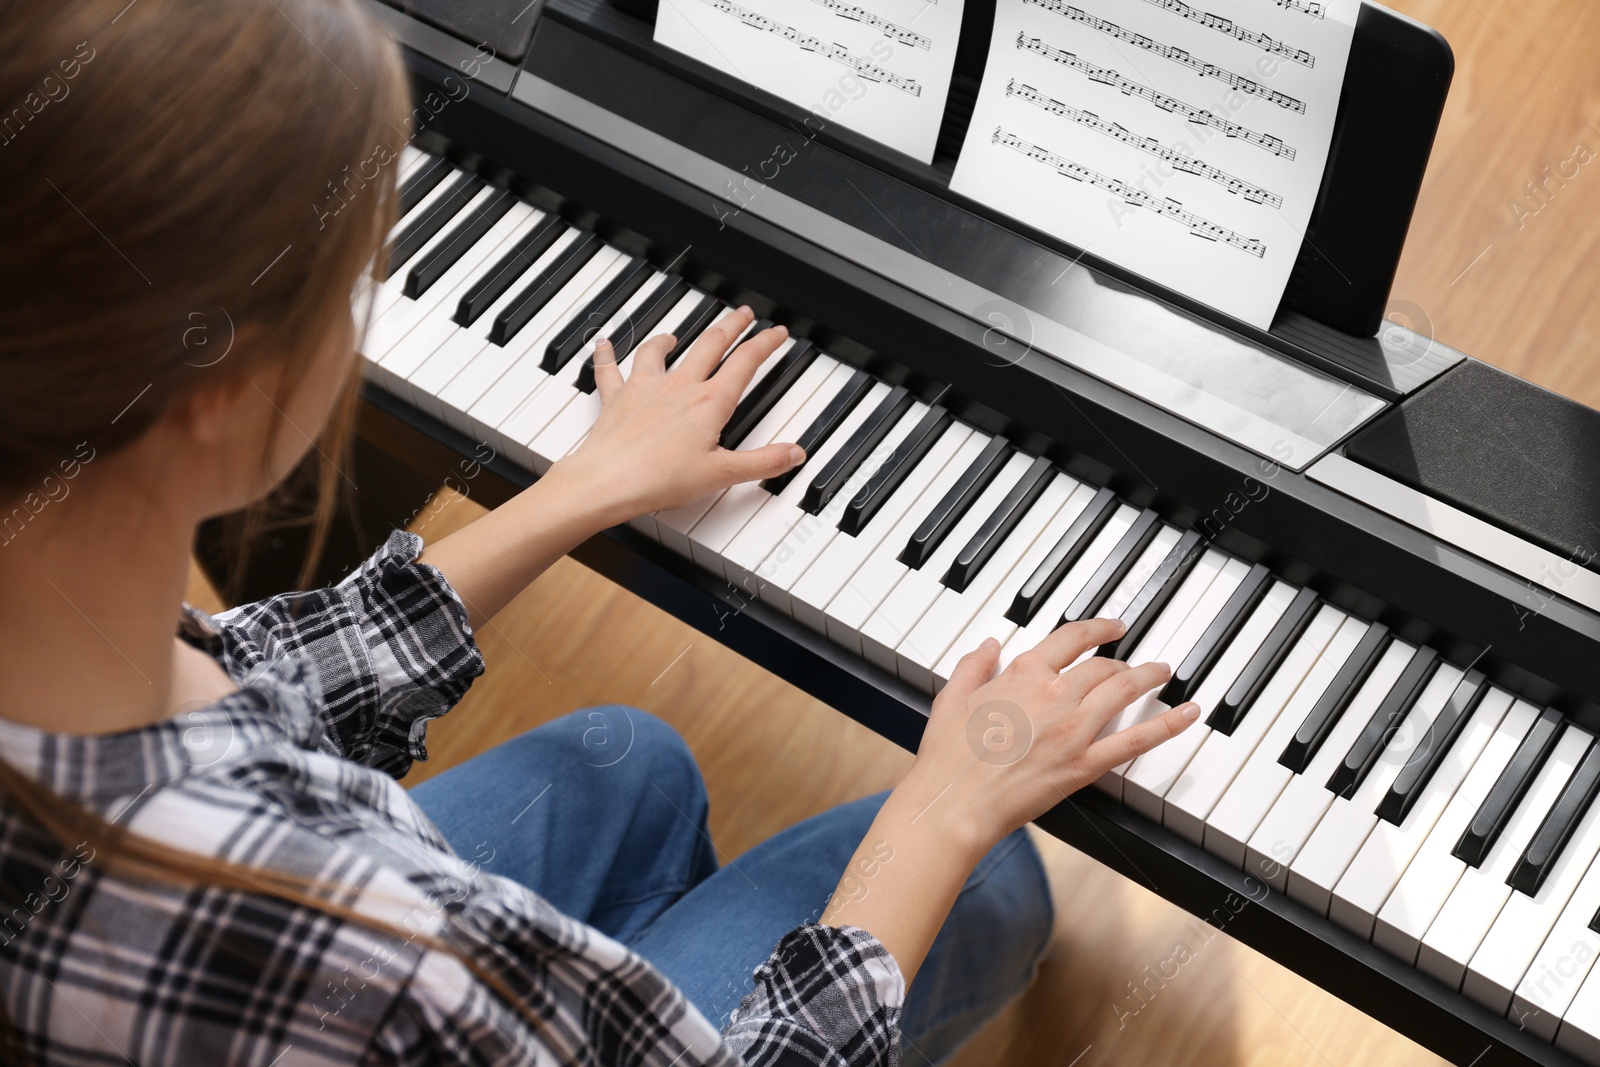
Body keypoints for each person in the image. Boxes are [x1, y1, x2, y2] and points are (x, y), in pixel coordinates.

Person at [0, 1, 1200, 1063]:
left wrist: (579, 488)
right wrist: (944, 806)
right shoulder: (392, 959)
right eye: (355, 271)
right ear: (217, 391)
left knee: (623, 760)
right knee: (990, 876)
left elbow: (241, 681)